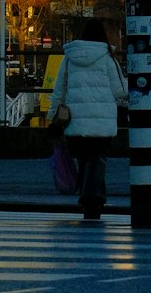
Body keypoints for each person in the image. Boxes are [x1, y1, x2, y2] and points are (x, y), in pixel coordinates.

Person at [47, 18, 127, 221]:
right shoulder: (108, 58)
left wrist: (52, 116)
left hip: (76, 120)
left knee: (85, 159)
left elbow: (59, 89)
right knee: (97, 158)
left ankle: (92, 199)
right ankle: (91, 198)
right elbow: (120, 91)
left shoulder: (69, 58)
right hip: (102, 121)